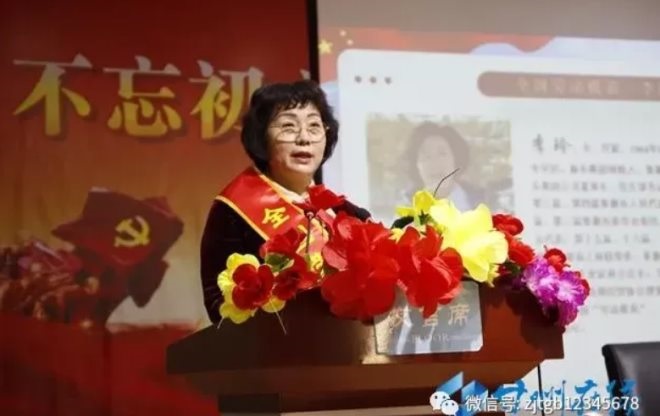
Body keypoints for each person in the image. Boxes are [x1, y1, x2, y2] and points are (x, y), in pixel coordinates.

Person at [200, 80, 370, 324]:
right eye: (289, 127)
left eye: (314, 126)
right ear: (261, 137)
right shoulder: (233, 212)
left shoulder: (352, 215)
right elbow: (220, 306)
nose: (304, 138)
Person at [401, 121, 484, 211]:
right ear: (416, 166)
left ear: (456, 159)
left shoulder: (483, 205)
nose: (434, 163)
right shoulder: (406, 214)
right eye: (427, 156)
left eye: (442, 154)